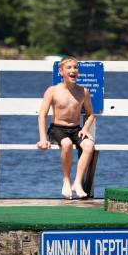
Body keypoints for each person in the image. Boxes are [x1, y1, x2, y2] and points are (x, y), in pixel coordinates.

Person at [36, 56, 96, 199]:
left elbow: (91, 114)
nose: (73, 70)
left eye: (75, 68)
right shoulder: (52, 90)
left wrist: (85, 129)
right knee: (67, 144)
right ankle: (66, 180)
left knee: (89, 145)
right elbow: (42, 115)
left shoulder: (83, 91)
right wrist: (43, 138)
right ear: (61, 71)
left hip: (76, 129)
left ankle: (77, 182)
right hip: (57, 129)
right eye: (69, 68)